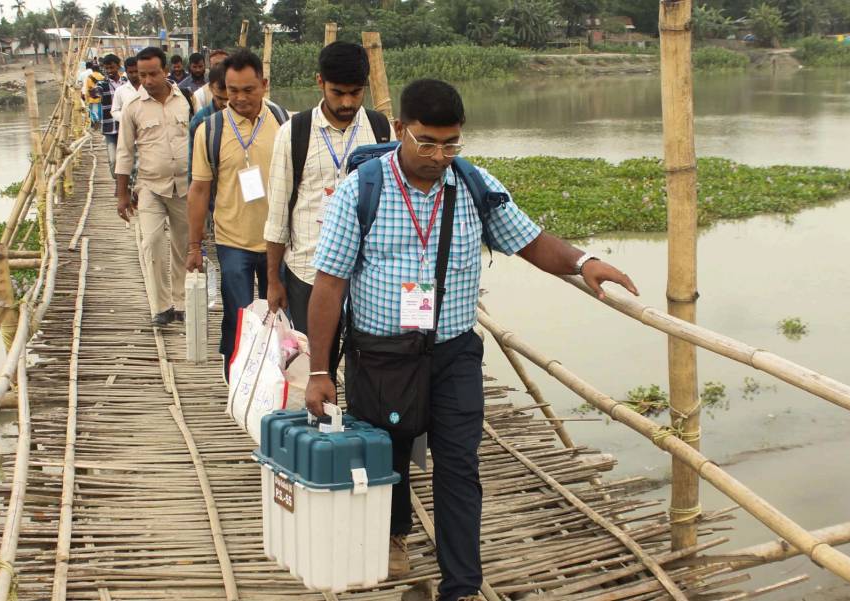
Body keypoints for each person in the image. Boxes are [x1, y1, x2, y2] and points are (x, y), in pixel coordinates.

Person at [304, 79, 639, 601]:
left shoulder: (473, 185)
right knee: (387, 456)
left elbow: (529, 240)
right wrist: (319, 371)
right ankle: (393, 534)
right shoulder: (361, 190)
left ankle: (460, 584)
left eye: (451, 143)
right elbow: (329, 284)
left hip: (453, 352)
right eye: (427, 142)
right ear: (399, 131)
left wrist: (582, 262)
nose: (440, 156)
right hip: (382, 354)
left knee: (459, 464)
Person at [264, 41, 392, 362]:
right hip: (309, 271)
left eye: (356, 92)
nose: (347, 102)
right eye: (338, 93)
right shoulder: (294, 133)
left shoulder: (379, 129)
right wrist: (272, 281)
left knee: (368, 363)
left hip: (367, 274)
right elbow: (278, 214)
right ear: (320, 82)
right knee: (315, 366)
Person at [186, 49, 284, 381]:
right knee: (240, 314)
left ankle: (274, 379)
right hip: (233, 241)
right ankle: (237, 379)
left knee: (280, 316)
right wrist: (193, 246)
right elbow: (199, 190)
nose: (239, 98)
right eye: (232, 90)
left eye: (248, 89)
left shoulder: (285, 124)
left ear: (264, 85)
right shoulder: (209, 131)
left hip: (279, 241)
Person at [115, 46, 197, 327]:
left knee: (182, 245)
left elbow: (199, 140)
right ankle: (160, 306)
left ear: (166, 71)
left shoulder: (187, 100)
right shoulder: (133, 107)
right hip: (149, 185)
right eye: (142, 75)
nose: (147, 80)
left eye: (153, 74)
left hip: (185, 185)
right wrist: (122, 193)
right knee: (151, 242)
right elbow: (125, 151)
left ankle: (181, 302)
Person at [90, 54, 126, 177]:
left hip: (125, 126)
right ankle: (117, 182)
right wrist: (94, 92)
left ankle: (125, 184)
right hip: (109, 127)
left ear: (118, 67)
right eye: (107, 69)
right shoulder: (102, 84)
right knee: (113, 160)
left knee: (127, 158)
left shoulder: (126, 83)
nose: (110, 71)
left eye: (112, 68)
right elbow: (96, 92)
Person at [110, 56, 142, 123]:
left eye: (136, 71)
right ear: (126, 72)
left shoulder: (149, 88)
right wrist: (127, 118)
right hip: (128, 129)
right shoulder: (120, 90)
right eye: (130, 72)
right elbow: (114, 111)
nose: (134, 75)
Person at [83, 63, 105, 128]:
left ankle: (96, 121)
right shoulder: (102, 77)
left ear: (92, 70)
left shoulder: (89, 77)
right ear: (98, 69)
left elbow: (87, 88)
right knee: (100, 110)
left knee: (92, 110)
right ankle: (100, 122)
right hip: (101, 97)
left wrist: (86, 98)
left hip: (92, 97)